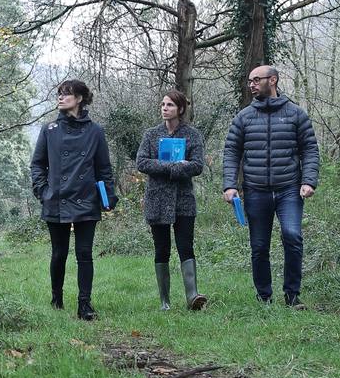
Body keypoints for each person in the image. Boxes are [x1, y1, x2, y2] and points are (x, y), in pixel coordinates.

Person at [222, 65, 321, 308]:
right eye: (250, 81)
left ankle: (292, 296)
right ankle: (264, 296)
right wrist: (229, 185)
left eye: (257, 80)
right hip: (255, 190)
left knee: (292, 236)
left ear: (273, 80)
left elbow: (309, 149)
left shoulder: (296, 114)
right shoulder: (243, 117)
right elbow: (231, 152)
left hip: (289, 189)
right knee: (259, 246)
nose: (252, 84)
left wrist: (308, 180)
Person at [30, 79, 117, 320]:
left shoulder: (95, 131)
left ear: (79, 99)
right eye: (59, 94)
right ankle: (56, 298)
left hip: (86, 199)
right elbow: (37, 165)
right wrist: (43, 190)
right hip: (56, 198)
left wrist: (108, 197)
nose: (60, 98)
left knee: (85, 253)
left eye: (66, 94)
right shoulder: (49, 130)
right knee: (59, 253)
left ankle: (85, 305)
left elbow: (104, 168)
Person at [135, 90, 208, 311]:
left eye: (170, 105)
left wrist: (172, 167)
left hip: (183, 199)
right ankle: (164, 302)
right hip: (157, 199)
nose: (165, 108)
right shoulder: (151, 134)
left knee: (186, 245)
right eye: (163, 104)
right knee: (162, 248)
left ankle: (192, 296)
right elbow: (142, 163)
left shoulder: (192, 135)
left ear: (180, 109)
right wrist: (174, 167)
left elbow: (197, 166)